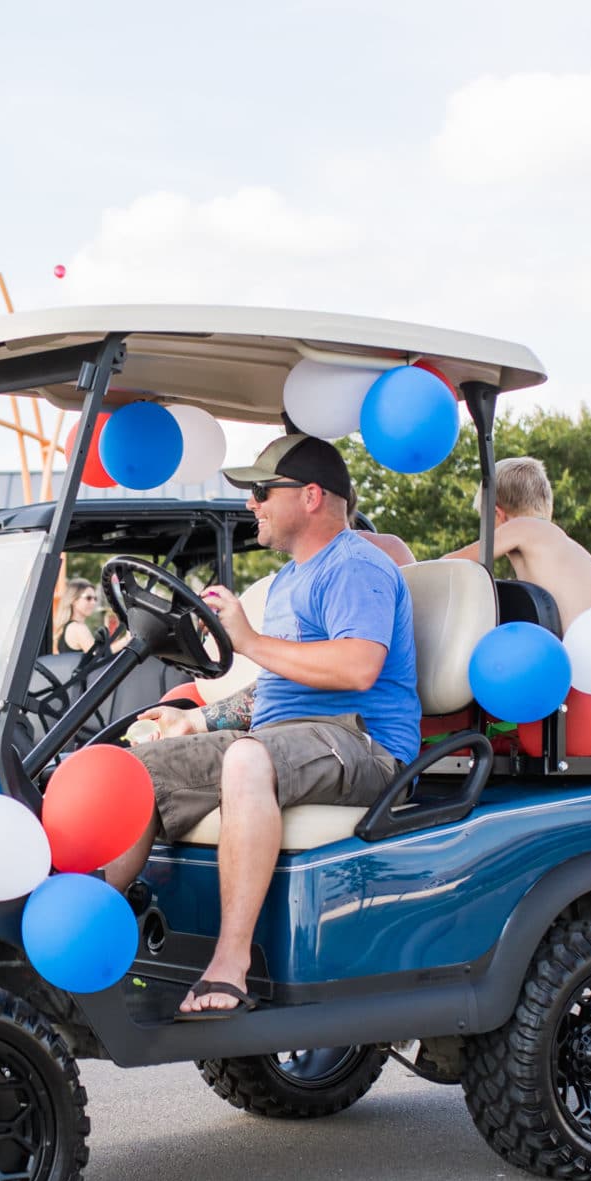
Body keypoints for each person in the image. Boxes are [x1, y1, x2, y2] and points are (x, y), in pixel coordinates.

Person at [109, 435, 419, 1019]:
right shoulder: (288, 582)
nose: (251, 505)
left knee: (247, 759)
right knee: (130, 771)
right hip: (291, 737)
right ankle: (96, 940)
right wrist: (196, 718)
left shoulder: (354, 565)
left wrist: (248, 640)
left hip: (363, 743)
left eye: (259, 492)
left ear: (309, 496)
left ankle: (230, 965)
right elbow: (278, 686)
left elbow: (357, 667)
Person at [440, 458, 591, 742]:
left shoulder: (526, 528)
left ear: (497, 514)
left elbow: (454, 562)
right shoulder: (559, 545)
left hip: (589, 662)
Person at [51, 578, 104, 655]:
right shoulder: (78, 628)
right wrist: (125, 640)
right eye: (88, 598)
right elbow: (100, 657)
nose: (93, 602)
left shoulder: (67, 627)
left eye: (95, 598)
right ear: (74, 600)